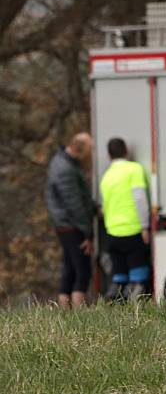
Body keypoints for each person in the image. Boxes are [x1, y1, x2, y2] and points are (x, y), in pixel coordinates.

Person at [45, 132, 95, 308]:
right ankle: (80, 318)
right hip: (72, 226)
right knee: (82, 272)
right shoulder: (65, 168)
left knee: (70, 269)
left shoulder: (61, 163)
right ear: (80, 149)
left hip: (65, 224)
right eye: (90, 150)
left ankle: (65, 314)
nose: (91, 155)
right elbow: (74, 204)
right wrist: (87, 233)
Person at [99, 138, 151, 300]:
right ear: (126, 151)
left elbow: (105, 206)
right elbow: (139, 198)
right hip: (133, 230)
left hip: (113, 232)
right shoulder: (134, 169)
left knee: (119, 274)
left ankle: (115, 298)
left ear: (109, 155)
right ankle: (135, 301)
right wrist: (144, 225)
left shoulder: (106, 176)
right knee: (138, 274)